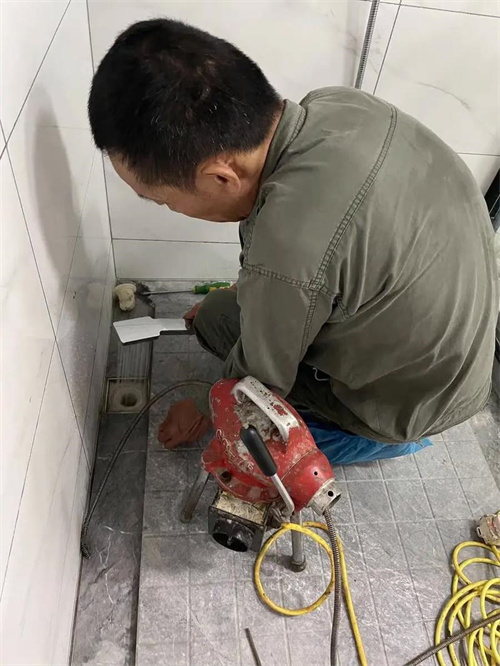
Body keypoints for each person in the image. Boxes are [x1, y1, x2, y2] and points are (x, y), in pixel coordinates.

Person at [88, 18, 498, 446]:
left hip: (411, 408)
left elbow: (256, 388)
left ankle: (365, 440)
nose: (170, 209)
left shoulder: (285, 246)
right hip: (458, 360)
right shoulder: (338, 105)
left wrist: (209, 409)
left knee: (215, 323)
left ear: (221, 178)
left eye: (162, 200)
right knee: (235, 307)